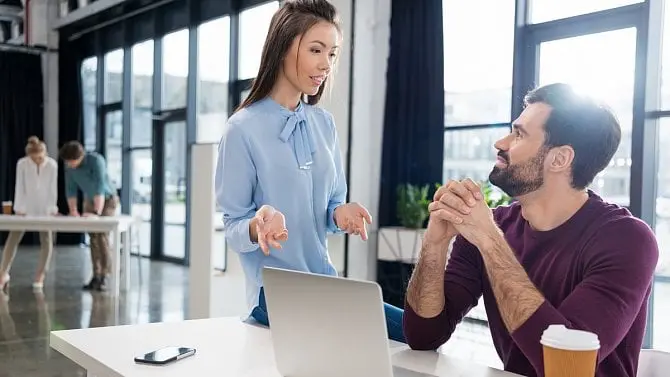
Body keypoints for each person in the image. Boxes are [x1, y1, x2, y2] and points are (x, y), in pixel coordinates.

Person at [403, 83, 658, 377]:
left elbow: (564, 369)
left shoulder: (627, 240)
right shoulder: (494, 227)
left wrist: (488, 240)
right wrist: (435, 244)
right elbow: (423, 338)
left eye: (519, 134)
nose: (501, 142)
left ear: (560, 159)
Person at [215, 0, 405, 342]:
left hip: (324, 284)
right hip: (273, 295)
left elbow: (331, 207)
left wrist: (341, 213)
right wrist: (258, 228)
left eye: (332, 54)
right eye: (316, 50)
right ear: (284, 46)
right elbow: (232, 227)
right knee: (402, 334)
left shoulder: (324, 124)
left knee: (415, 332)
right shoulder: (241, 129)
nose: (326, 64)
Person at [0, 136, 59, 291]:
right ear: (29, 156)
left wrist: (52, 208)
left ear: (44, 153)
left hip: (45, 207)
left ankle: (40, 274)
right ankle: (3, 273)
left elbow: (53, 189)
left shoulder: (52, 165)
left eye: (40, 158)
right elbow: (19, 186)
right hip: (25, 207)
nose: (37, 161)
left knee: (46, 240)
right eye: (34, 158)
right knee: (13, 239)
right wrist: (19, 208)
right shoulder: (22, 164)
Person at [59, 141, 118, 292]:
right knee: (93, 237)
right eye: (67, 162)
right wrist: (73, 210)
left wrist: (97, 214)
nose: (70, 165)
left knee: (102, 235)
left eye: (72, 161)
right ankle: (96, 275)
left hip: (107, 199)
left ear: (80, 156)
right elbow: (71, 190)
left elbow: (99, 187)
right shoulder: (69, 168)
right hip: (89, 200)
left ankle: (105, 275)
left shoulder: (96, 161)